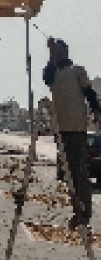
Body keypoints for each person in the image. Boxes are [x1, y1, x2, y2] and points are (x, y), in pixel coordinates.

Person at [43, 37, 100, 229]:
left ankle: (85, 213)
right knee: (68, 174)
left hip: (76, 127)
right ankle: (77, 211)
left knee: (79, 171)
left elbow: (89, 93)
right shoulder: (53, 72)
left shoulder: (77, 71)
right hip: (61, 129)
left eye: (58, 50)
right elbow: (47, 79)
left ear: (65, 51)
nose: (55, 52)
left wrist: (97, 111)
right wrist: (51, 54)